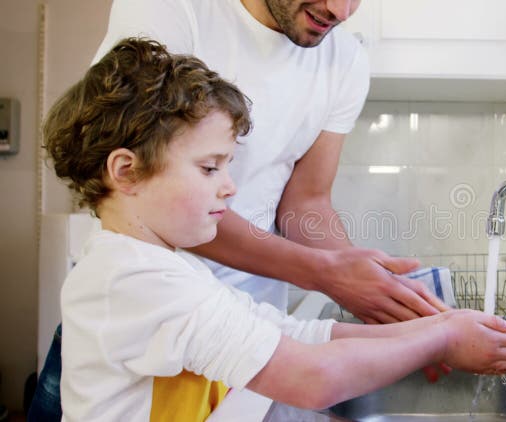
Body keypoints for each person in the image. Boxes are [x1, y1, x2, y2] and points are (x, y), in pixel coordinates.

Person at [43, 38, 506, 422]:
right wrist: (439, 341)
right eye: (210, 168)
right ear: (126, 172)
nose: (230, 188)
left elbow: (294, 334)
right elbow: (313, 376)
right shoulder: (132, 279)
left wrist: (432, 326)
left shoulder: (162, 265)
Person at [92, 0, 445, 324]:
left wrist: (377, 290)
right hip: (144, 318)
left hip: (252, 327)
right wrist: (324, 272)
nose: (341, 11)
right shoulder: (173, 9)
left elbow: (306, 203)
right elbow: (150, 190)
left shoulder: (346, 60)